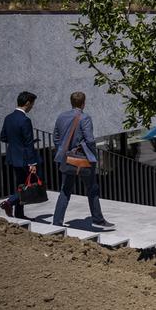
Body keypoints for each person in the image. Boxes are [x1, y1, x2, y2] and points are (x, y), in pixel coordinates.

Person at [52, 92, 114, 228]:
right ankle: (97, 219)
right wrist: (92, 155)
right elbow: (90, 139)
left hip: (68, 159)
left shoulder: (61, 116)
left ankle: (57, 221)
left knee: (65, 190)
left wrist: (64, 150)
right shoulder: (85, 118)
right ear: (83, 103)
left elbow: (56, 138)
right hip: (82, 159)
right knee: (92, 188)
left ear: (71, 102)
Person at [0, 91, 39, 219]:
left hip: (12, 157)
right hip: (24, 158)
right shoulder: (25, 120)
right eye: (32, 104)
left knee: (21, 184)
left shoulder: (8, 118)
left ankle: (19, 213)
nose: (33, 106)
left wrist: (15, 143)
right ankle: (8, 202)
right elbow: (28, 143)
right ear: (27, 103)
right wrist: (32, 163)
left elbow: (3, 137)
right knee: (28, 185)